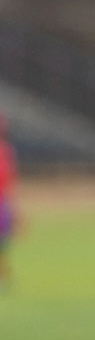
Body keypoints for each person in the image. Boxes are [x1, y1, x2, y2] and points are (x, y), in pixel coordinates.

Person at [0, 113, 17, 292]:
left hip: (2, 201)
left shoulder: (6, 151)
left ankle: (3, 276)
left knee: (3, 243)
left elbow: (10, 180)